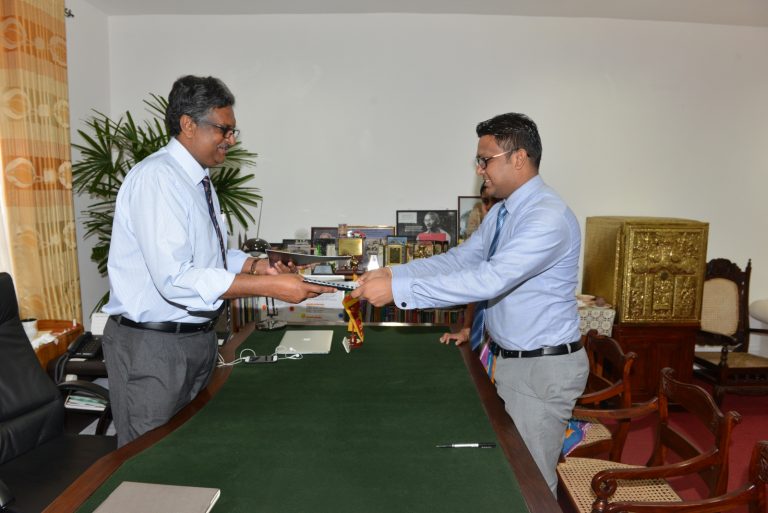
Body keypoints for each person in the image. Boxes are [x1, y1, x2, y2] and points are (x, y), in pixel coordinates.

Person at [351, 112, 588, 494]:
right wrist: (394, 274)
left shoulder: (547, 217)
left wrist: (399, 292)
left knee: (529, 484)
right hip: (513, 360)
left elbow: (490, 279)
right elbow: (461, 261)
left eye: (485, 159)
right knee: (509, 471)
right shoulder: (506, 212)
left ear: (519, 158)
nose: (479, 169)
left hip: (540, 369)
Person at [102, 75, 334, 447]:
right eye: (223, 129)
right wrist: (269, 287)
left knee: (191, 451)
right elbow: (176, 278)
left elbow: (211, 256)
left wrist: (257, 267)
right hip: (154, 348)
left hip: (197, 341)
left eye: (232, 130)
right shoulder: (158, 178)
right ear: (188, 125)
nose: (231, 140)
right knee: (148, 458)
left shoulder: (199, 180)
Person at [440, 182, 501, 346]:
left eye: (496, 202)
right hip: (490, 340)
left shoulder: (519, 238)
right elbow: (476, 290)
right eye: (486, 201)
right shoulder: (482, 239)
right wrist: (466, 329)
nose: (490, 208)